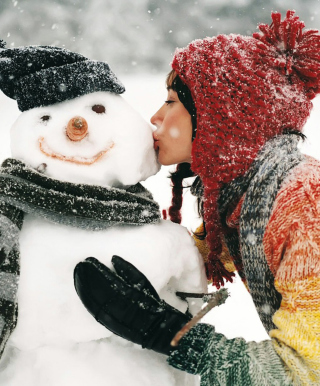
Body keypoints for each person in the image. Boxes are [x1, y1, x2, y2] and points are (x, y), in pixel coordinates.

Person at [74, 10, 320, 385]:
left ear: (221, 117)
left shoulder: (302, 205)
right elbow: (198, 257)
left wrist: (168, 335)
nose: (155, 117)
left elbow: (303, 372)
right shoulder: (246, 197)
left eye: (172, 101)